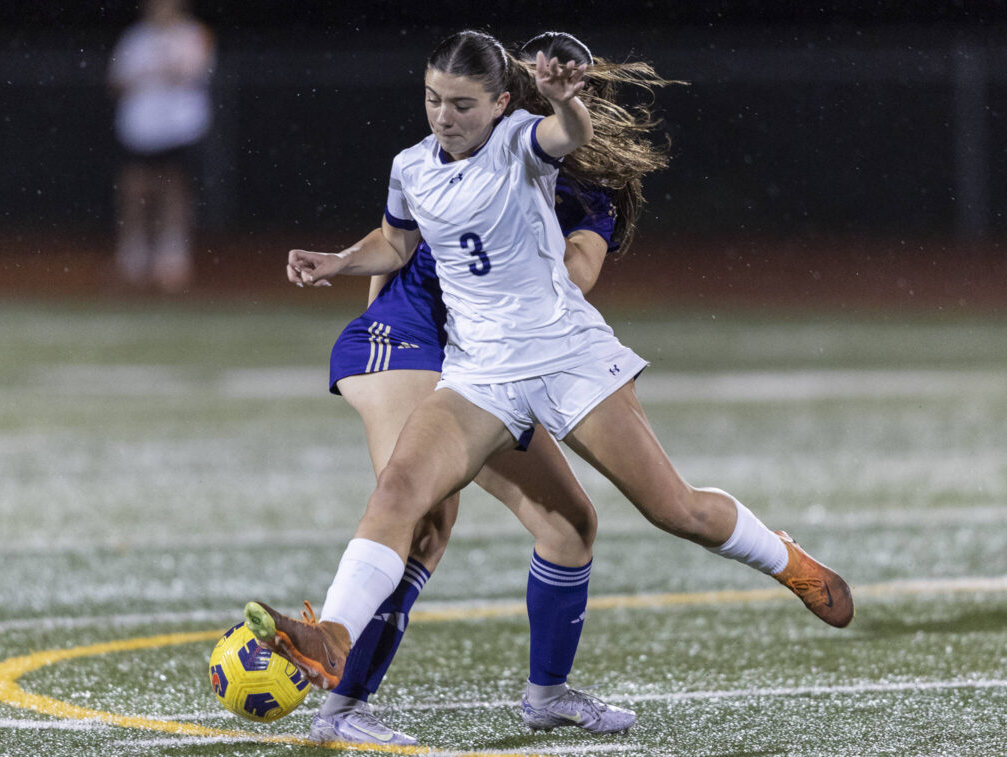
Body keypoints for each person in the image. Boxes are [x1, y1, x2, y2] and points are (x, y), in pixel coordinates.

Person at [246, 28, 853, 744]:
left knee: (674, 508)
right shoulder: (412, 165)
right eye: (434, 99)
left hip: (566, 357)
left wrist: (569, 105)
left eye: (463, 103)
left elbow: (564, 136)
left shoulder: (519, 144)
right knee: (402, 492)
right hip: (480, 374)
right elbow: (399, 240)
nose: (444, 116)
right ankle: (332, 638)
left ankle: (788, 560)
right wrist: (337, 261)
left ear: (501, 103)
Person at [298, 31, 669, 746]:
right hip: (414, 342)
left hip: (492, 364)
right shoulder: (457, 155)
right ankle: (340, 708)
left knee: (569, 522)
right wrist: (376, 325)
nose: (449, 114)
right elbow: (397, 246)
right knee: (426, 517)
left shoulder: (575, 186)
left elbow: (576, 281)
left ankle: (548, 696)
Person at [108, 0, 214, 293]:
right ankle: (133, 253)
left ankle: (171, 255)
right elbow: (116, 80)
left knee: (173, 188)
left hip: (178, 126)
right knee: (134, 188)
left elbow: (192, 72)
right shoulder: (136, 36)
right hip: (140, 127)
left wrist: (157, 71)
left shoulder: (193, 33)